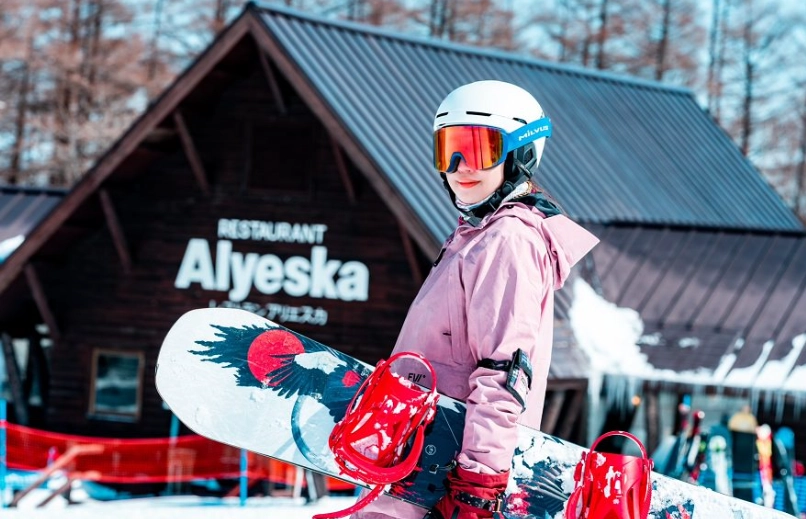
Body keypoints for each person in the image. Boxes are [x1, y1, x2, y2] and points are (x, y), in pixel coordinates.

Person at [352, 80, 599, 519]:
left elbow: (503, 371)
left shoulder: (508, 240)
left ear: (522, 154)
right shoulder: (473, 236)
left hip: (441, 481)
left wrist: (478, 486)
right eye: (448, 150)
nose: (459, 166)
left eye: (479, 149)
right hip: (411, 470)